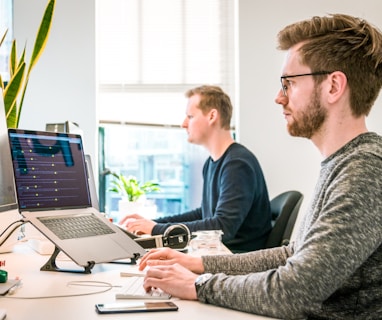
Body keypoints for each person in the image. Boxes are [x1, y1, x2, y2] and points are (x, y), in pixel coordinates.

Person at [136, 14, 382, 319]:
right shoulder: (342, 163)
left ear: (333, 86)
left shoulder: (365, 171)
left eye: (289, 83)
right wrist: (199, 264)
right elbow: (293, 254)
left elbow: (294, 291)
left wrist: (199, 285)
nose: (279, 97)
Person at [120, 85, 272, 253]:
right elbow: (204, 214)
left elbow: (222, 228)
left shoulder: (237, 164)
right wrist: (154, 224)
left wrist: (157, 230)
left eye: (190, 116)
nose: (183, 124)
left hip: (236, 261)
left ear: (212, 116)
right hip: (218, 254)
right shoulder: (212, 163)